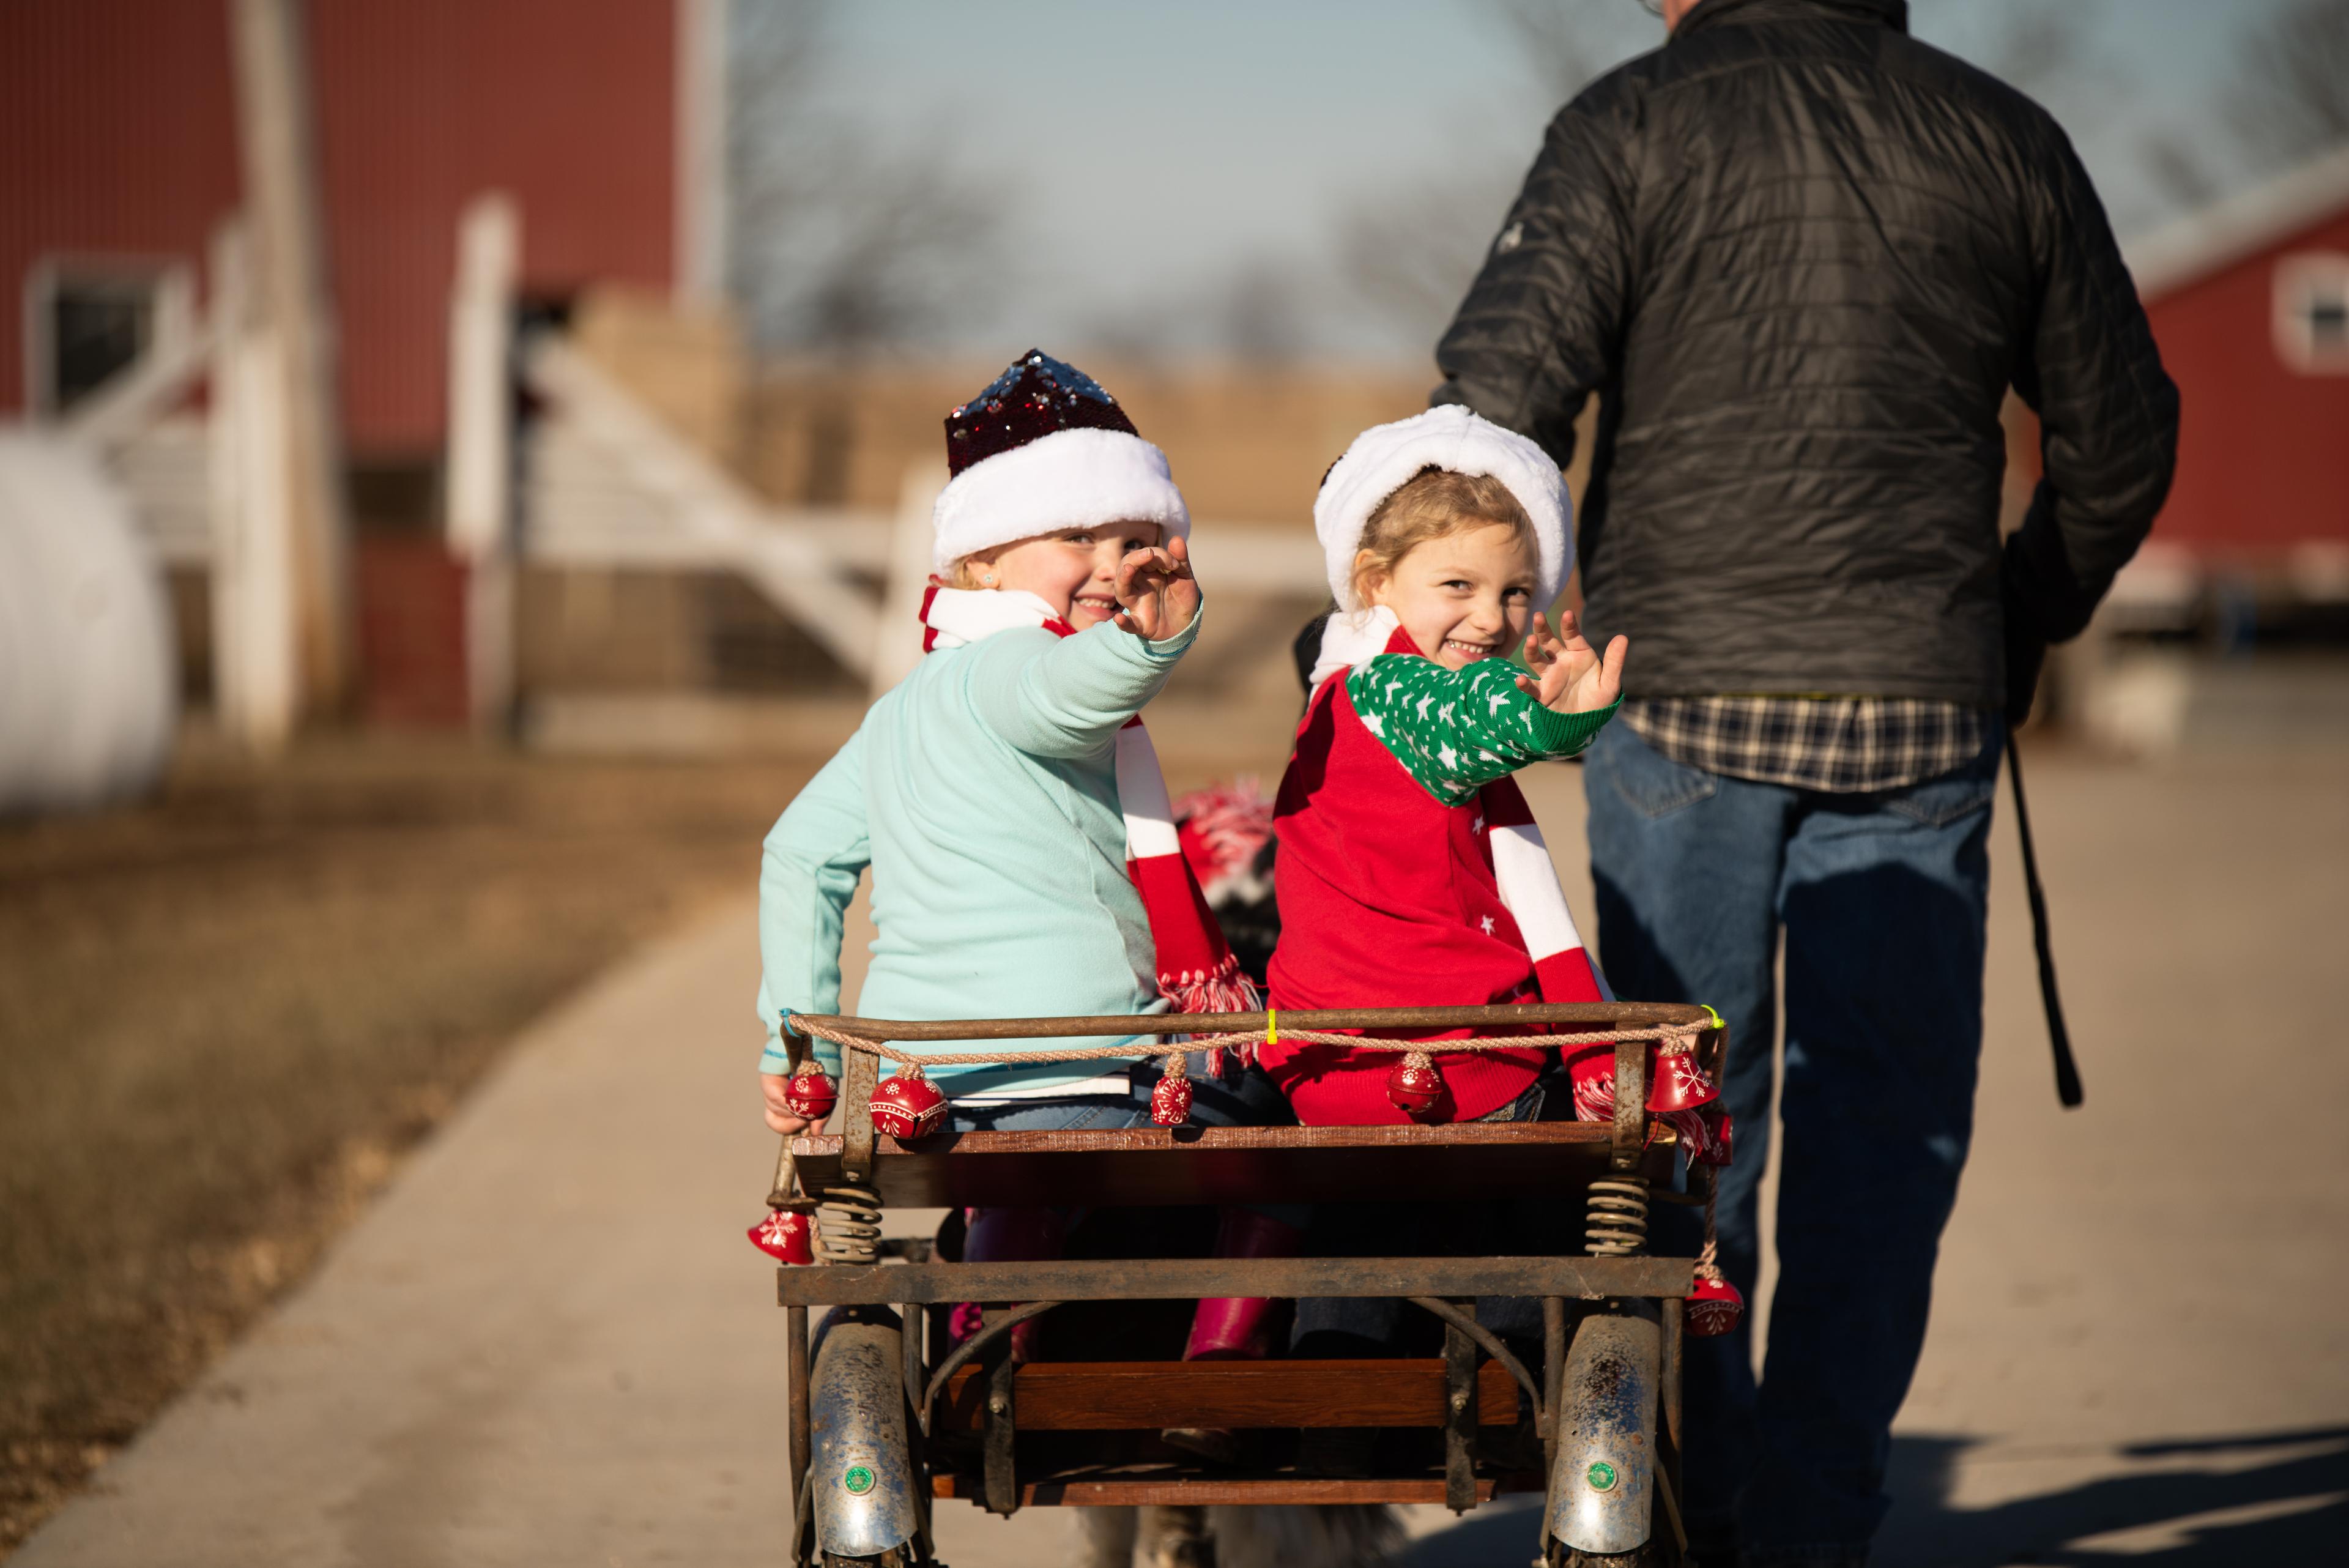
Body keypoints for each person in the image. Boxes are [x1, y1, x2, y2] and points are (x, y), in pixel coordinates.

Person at [1432, 2, 2180, 1563]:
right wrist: (2017, 610)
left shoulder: (1625, 126)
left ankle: (1697, 1495)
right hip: (1916, 711)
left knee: (1688, 1130)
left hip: (1678, 697)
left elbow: (1497, 410)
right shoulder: (2004, 135)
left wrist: (1448, 635)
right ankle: (1818, 1517)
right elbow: (2122, 440)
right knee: (1883, 1138)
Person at [753, 349, 1294, 1367]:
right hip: (1070, 1061)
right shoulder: (1018, 663)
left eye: (1134, 538)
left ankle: (994, 1312)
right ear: (984, 562)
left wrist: (805, 1056)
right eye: (1076, 536)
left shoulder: (904, 705)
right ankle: (1222, 1355)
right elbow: (1062, 696)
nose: (1109, 561)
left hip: (929, 1074)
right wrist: (1148, 643)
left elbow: (799, 855)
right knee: (1287, 1122)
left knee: (1045, 1169)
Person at [1263, 407, 1703, 1401]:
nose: (1492, 617)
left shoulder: (1334, 712)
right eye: (1454, 586)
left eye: (1514, 592)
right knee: (1567, 1191)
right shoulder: (1389, 696)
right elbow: (1470, 717)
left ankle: (1339, 1373)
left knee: (1368, 1226)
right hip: (1441, 1056)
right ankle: (1518, 1376)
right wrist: (1551, 716)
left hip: (1331, 1062)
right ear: (1376, 585)